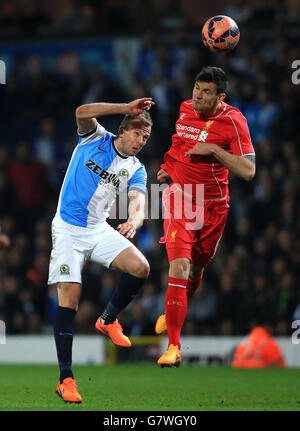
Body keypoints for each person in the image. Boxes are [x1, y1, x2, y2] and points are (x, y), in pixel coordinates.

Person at [48, 97, 155, 403]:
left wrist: (135, 220)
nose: (140, 141)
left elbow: (138, 203)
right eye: (136, 134)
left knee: (141, 267)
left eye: (145, 138)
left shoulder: (135, 168)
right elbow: (80, 111)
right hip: (68, 228)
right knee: (70, 296)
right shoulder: (95, 137)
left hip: (98, 229)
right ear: (122, 130)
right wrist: (126, 107)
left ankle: (108, 319)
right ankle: (65, 379)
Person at [155, 66, 256, 367]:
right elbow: (179, 146)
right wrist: (169, 168)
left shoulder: (233, 121)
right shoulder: (185, 109)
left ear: (220, 96)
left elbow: (248, 171)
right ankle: (174, 346)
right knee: (179, 264)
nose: (198, 95)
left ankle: (172, 311)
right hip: (181, 200)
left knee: (196, 271)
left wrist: (214, 149)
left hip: (214, 207)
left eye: (206, 92)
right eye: (197, 88)